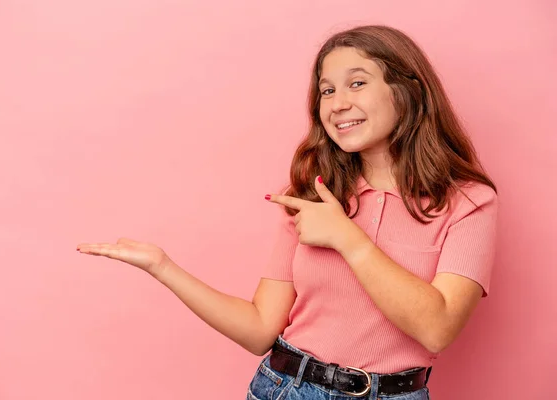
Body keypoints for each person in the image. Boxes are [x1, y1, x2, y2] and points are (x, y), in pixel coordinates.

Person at [76, 25, 498, 400]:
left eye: (356, 83)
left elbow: (438, 328)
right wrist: (163, 267)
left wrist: (346, 238)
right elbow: (261, 328)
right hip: (287, 389)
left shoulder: (469, 202)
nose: (337, 103)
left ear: (408, 90)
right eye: (327, 91)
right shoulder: (311, 196)